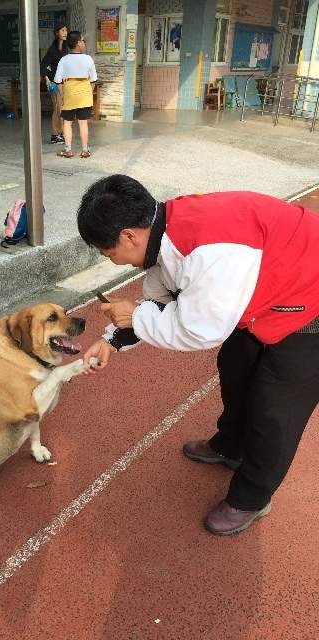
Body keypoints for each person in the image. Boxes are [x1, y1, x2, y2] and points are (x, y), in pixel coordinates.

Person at [78, 174, 319, 537]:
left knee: (275, 408)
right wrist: (112, 339)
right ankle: (231, 445)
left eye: (108, 253)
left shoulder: (210, 253)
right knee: (235, 364)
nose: (112, 261)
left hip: (310, 300)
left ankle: (251, 499)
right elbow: (162, 298)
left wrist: (135, 317)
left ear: (129, 235)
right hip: (275, 286)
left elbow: (199, 330)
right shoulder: (166, 229)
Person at [54, 31, 97, 159]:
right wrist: (88, 92)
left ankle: (68, 150)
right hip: (84, 94)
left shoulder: (64, 59)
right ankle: (85, 150)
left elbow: (58, 81)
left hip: (69, 95)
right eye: (83, 41)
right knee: (83, 123)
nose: (84, 43)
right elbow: (93, 80)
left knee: (67, 123)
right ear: (78, 43)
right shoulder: (88, 59)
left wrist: (61, 96)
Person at [40, 23, 68, 144]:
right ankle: (54, 134)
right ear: (57, 33)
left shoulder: (66, 48)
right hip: (54, 83)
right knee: (57, 108)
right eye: (62, 30)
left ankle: (61, 132)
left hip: (64, 82)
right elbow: (43, 65)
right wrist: (46, 79)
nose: (65, 32)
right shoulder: (52, 49)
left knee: (62, 108)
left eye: (66, 30)